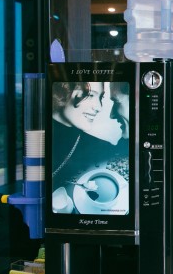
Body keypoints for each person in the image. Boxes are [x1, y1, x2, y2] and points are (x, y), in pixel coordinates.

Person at [51, 81, 127, 214]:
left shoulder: (103, 150)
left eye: (101, 98)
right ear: (62, 92)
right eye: (90, 95)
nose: (99, 107)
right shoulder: (35, 134)